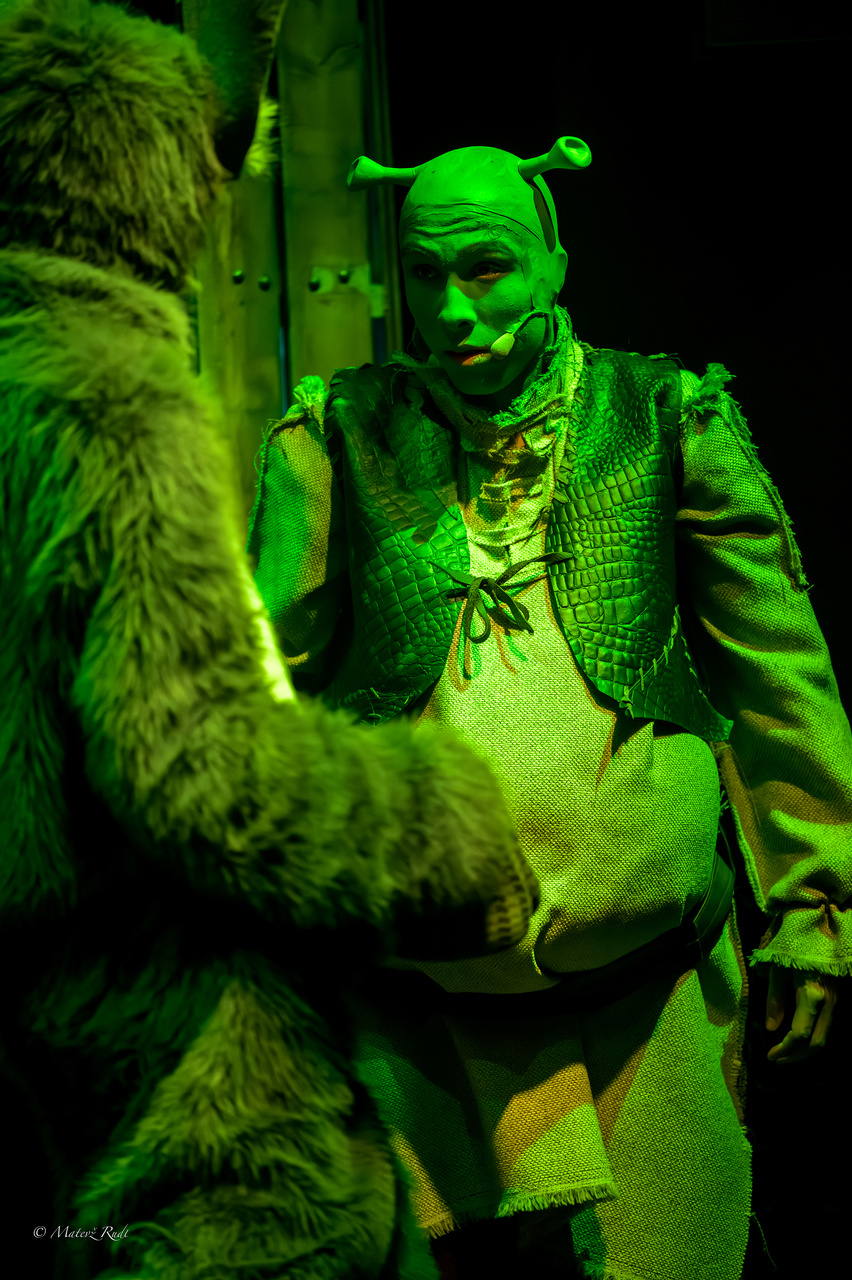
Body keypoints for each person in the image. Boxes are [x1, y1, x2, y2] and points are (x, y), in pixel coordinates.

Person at [247, 135, 852, 1279]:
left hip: (646, 1008)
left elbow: (777, 672)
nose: (453, 310)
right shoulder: (334, 435)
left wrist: (814, 899)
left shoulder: (663, 417)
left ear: (553, 261)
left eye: (486, 268)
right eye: (425, 274)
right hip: (414, 1027)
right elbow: (261, 689)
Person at [0, 5, 539, 1277]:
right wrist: (437, 824)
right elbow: (196, 762)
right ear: (150, 178)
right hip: (194, 1097)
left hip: (55, 1053)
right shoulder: (105, 394)